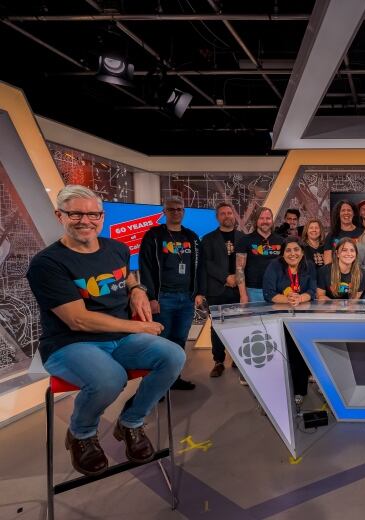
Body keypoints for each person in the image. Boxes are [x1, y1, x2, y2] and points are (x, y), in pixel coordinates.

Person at [26, 185, 185, 476]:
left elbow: (126, 277)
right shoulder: (47, 264)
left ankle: (131, 422)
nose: (85, 220)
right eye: (76, 213)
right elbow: (79, 320)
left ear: (102, 217)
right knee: (111, 379)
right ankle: (82, 434)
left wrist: (137, 289)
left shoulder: (117, 248)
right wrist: (139, 326)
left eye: (93, 214)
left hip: (119, 340)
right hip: (71, 343)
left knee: (174, 356)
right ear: (59, 215)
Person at [138, 195, 200, 390]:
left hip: (186, 298)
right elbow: (145, 267)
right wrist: (151, 298)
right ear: (164, 212)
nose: (176, 212)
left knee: (179, 340)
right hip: (163, 298)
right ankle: (156, 385)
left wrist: (197, 292)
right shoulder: (154, 236)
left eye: (179, 209)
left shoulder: (191, 236)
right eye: (171, 209)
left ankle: (173, 378)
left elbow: (199, 267)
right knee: (161, 342)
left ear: (184, 211)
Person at [263, 237, 317, 405]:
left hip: (302, 318)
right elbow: (268, 293)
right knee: (281, 355)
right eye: (288, 250)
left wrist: (300, 298)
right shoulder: (274, 266)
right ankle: (277, 391)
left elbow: (312, 291)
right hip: (279, 318)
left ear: (301, 253)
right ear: (283, 253)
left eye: (296, 250)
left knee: (299, 355)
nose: (292, 253)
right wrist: (289, 300)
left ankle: (299, 391)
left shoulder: (309, 266)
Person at [199, 202, 245, 379]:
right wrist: (226, 277)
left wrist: (237, 279)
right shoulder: (208, 239)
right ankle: (218, 361)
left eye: (229, 213)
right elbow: (207, 264)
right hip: (217, 289)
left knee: (238, 326)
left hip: (238, 290)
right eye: (223, 214)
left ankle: (238, 358)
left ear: (234, 215)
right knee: (217, 327)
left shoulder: (243, 237)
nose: (227, 216)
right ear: (218, 217)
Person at [236, 206, 284, 304]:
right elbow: (239, 268)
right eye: (261, 218)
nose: (265, 221)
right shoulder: (245, 240)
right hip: (253, 291)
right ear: (256, 220)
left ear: (272, 220)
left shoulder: (281, 241)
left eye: (268, 218)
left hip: (277, 290)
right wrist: (243, 295)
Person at [323, 200, 362, 265]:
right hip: (337, 274)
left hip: (359, 272)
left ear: (354, 213)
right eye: (343, 210)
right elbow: (327, 263)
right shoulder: (331, 235)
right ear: (338, 214)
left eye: (349, 210)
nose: (346, 213)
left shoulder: (363, 233)